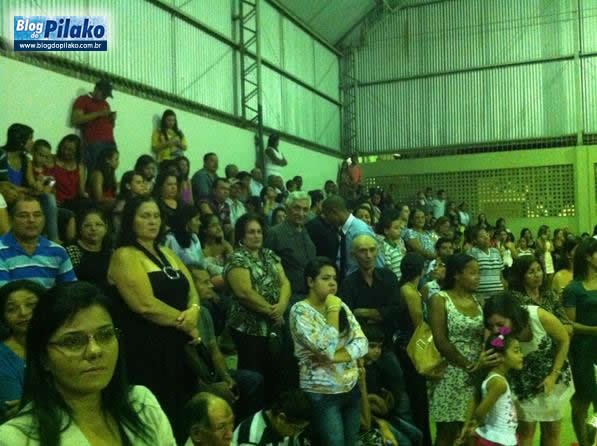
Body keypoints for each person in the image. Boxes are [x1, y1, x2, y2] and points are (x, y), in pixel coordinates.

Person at [0, 281, 177, 445]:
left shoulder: (141, 403)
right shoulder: (15, 438)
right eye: (73, 341)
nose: (94, 350)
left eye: (105, 335)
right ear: (43, 357)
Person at [107, 195, 200, 441]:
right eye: (145, 216)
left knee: (183, 415)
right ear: (131, 220)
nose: (152, 221)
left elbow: (192, 290)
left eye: (157, 216)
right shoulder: (124, 255)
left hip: (178, 347)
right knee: (157, 421)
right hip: (146, 350)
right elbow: (145, 305)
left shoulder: (167, 252)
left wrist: (194, 310)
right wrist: (187, 324)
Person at [289, 257, 368, 446]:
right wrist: (332, 310)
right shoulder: (300, 311)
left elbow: (362, 342)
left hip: (350, 387)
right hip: (321, 392)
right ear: (310, 281)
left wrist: (333, 357)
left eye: (334, 278)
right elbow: (326, 348)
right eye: (325, 278)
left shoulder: (341, 306)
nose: (332, 283)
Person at [428, 254, 500, 446]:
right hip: (450, 373)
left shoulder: (479, 301)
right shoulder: (440, 299)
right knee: (447, 433)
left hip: (477, 373)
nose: (478, 277)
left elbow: (495, 333)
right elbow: (441, 341)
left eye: (479, 273)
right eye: (473, 273)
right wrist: (469, 366)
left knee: (470, 433)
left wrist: (502, 338)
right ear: (457, 274)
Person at [484, 292, 572, 446]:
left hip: (553, 376)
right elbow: (493, 351)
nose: (496, 330)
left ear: (513, 316)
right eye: (491, 326)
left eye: (500, 324)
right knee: (525, 431)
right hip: (522, 383)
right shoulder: (500, 332)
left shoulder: (539, 316)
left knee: (551, 430)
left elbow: (564, 340)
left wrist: (553, 375)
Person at [224, 214, 291, 399]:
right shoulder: (237, 258)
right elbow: (244, 292)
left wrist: (282, 305)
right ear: (242, 235)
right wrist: (273, 312)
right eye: (251, 232)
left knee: (275, 374)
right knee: (254, 378)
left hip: (273, 325)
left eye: (259, 232)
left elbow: (285, 283)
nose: (256, 236)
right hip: (248, 328)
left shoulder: (269, 255)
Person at [185, 302, 264, 422]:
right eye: (205, 283)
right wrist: (210, 388)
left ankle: (244, 426)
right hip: (193, 383)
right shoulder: (179, 321)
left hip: (212, 373)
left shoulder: (203, 312)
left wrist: (226, 378)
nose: (210, 286)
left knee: (253, 380)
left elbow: (214, 349)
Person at [458, 328, 523, 446]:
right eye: (516, 351)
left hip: (502, 436)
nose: (521, 355)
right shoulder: (499, 383)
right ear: (500, 356)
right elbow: (480, 412)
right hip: (496, 439)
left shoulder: (497, 378)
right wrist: (475, 425)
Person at [361, 325, 423, 446]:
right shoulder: (358, 371)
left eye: (379, 346)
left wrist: (388, 399)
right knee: (404, 442)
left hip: (384, 414)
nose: (377, 351)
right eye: (372, 346)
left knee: (417, 435)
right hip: (370, 418)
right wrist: (372, 400)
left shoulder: (376, 367)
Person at [0, 124, 61, 242]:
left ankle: (54, 239)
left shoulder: (25, 159)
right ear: (20, 140)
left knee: (49, 197)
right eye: (30, 139)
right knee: (20, 197)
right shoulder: (1, 154)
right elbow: (5, 185)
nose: (32, 143)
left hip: (23, 194)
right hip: (8, 196)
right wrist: (27, 190)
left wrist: (41, 184)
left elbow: (32, 183)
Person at [563, 238, 597, 446]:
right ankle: (583, 442)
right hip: (583, 350)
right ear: (587, 257)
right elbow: (569, 324)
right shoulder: (573, 288)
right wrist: (594, 330)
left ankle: (592, 433)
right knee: (582, 400)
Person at [396, 252, 432, 446]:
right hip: (410, 348)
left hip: (407, 346)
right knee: (418, 397)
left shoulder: (409, 289)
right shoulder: (409, 291)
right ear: (421, 270)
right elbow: (419, 326)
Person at [0, 196, 76, 288]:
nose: (31, 220)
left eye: (37, 215)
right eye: (23, 216)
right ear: (11, 220)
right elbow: (3, 293)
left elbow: (71, 290)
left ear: (44, 219)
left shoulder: (58, 251)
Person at [0, 280, 44, 422]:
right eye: (11, 309)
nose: (23, 313)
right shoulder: (2, 358)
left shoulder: (58, 344)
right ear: (3, 318)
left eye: (31, 305)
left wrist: (32, 404)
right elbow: (14, 414)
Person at [265, 191, 316, 296]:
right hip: (287, 295)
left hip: (309, 293)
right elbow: (267, 269)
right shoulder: (274, 233)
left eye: (305, 209)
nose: (301, 213)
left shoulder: (306, 230)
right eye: (296, 208)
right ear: (287, 208)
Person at [321, 195, 383, 281]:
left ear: (334, 212)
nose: (326, 220)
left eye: (326, 215)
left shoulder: (359, 231)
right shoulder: (345, 230)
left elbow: (377, 264)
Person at [508, 255, 572, 331]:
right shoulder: (514, 299)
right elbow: (505, 328)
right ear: (521, 275)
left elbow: (567, 323)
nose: (537, 275)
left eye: (539, 270)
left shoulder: (550, 295)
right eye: (531, 272)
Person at [232, 389, 311, 445]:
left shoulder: (284, 426)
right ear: (281, 418)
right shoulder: (252, 438)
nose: (296, 434)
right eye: (296, 428)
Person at [70, 79, 117, 171]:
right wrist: (99, 113)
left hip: (110, 141)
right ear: (96, 89)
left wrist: (112, 120)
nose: (105, 98)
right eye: (103, 94)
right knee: (95, 169)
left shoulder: (105, 104)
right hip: (94, 142)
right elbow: (76, 119)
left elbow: (109, 126)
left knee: (110, 171)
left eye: (106, 96)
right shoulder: (83, 100)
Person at [65, 208, 112, 290]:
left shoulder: (111, 251)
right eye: (87, 225)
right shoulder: (72, 250)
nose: (93, 228)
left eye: (98, 225)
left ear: (106, 228)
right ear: (80, 229)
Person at [49, 134, 90, 213]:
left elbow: (81, 191)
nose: (65, 152)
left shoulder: (80, 167)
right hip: (56, 200)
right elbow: (49, 181)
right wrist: (52, 196)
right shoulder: (52, 160)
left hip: (72, 202)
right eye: (64, 148)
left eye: (70, 150)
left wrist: (86, 195)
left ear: (77, 151)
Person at [469, 226, 505, 300]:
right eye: (481, 236)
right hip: (481, 297)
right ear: (475, 240)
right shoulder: (472, 253)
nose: (486, 238)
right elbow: (471, 277)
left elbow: (501, 276)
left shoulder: (496, 251)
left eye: (487, 235)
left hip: (499, 296)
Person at [113, 170, 147, 235]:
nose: (142, 185)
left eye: (143, 182)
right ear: (128, 186)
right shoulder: (122, 204)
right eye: (138, 182)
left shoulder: (141, 201)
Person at [376, 211, 406, 281]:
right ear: (386, 231)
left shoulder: (397, 245)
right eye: (396, 228)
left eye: (400, 228)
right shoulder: (386, 248)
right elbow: (388, 270)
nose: (400, 230)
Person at [87, 146, 119, 212]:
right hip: (98, 207)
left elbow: (115, 191)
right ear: (107, 160)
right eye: (116, 159)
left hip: (109, 204)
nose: (118, 162)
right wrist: (115, 200)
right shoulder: (98, 174)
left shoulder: (111, 173)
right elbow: (98, 198)